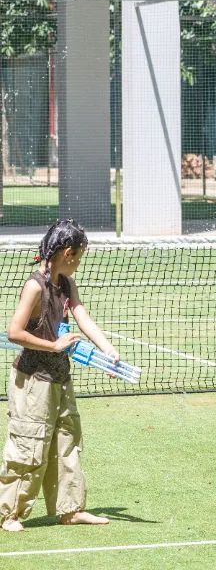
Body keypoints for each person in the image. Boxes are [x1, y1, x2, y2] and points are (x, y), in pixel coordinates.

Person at [0, 220, 116, 532]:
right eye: (78, 257)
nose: (79, 263)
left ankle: (70, 509)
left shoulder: (66, 283)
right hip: (32, 380)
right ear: (67, 253)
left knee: (67, 440)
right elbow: (14, 332)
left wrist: (108, 351)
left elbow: (82, 315)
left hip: (60, 378)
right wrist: (53, 345)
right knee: (29, 445)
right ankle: (8, 514)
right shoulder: (35, 286)